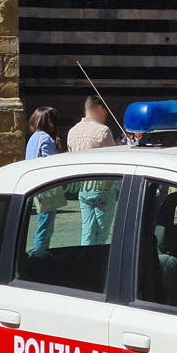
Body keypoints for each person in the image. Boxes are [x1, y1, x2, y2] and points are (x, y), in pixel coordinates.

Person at [67, 96, 119, 244]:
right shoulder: (102, 131)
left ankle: (86, 260)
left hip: (82, 186)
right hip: (102, 186)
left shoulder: (72, 132)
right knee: (102, 231)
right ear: (98, 110)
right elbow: (115, 157)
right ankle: (98, 260)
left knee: (87, 229)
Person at [26, 107, 66, 252]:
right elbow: (51, 163)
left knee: (43, 223)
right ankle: (40, 252)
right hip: (46, 187)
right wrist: (59, 150)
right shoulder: (46, 139)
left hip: (33, 183)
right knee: (46, 225)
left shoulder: (33, 137)